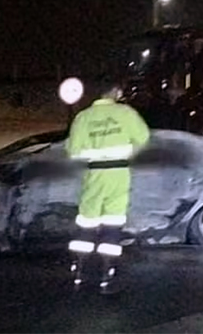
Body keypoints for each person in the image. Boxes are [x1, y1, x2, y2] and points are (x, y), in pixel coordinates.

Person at [66, 80, 150, 294]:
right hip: (119, 174)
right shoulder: (126, 113)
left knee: (87, 222)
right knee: (113, 224)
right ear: (115, 92)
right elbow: (143, 137)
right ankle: (107, 276)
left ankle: (79, 273)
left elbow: (73, 150)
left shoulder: (83, 117)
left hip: (94, 175)